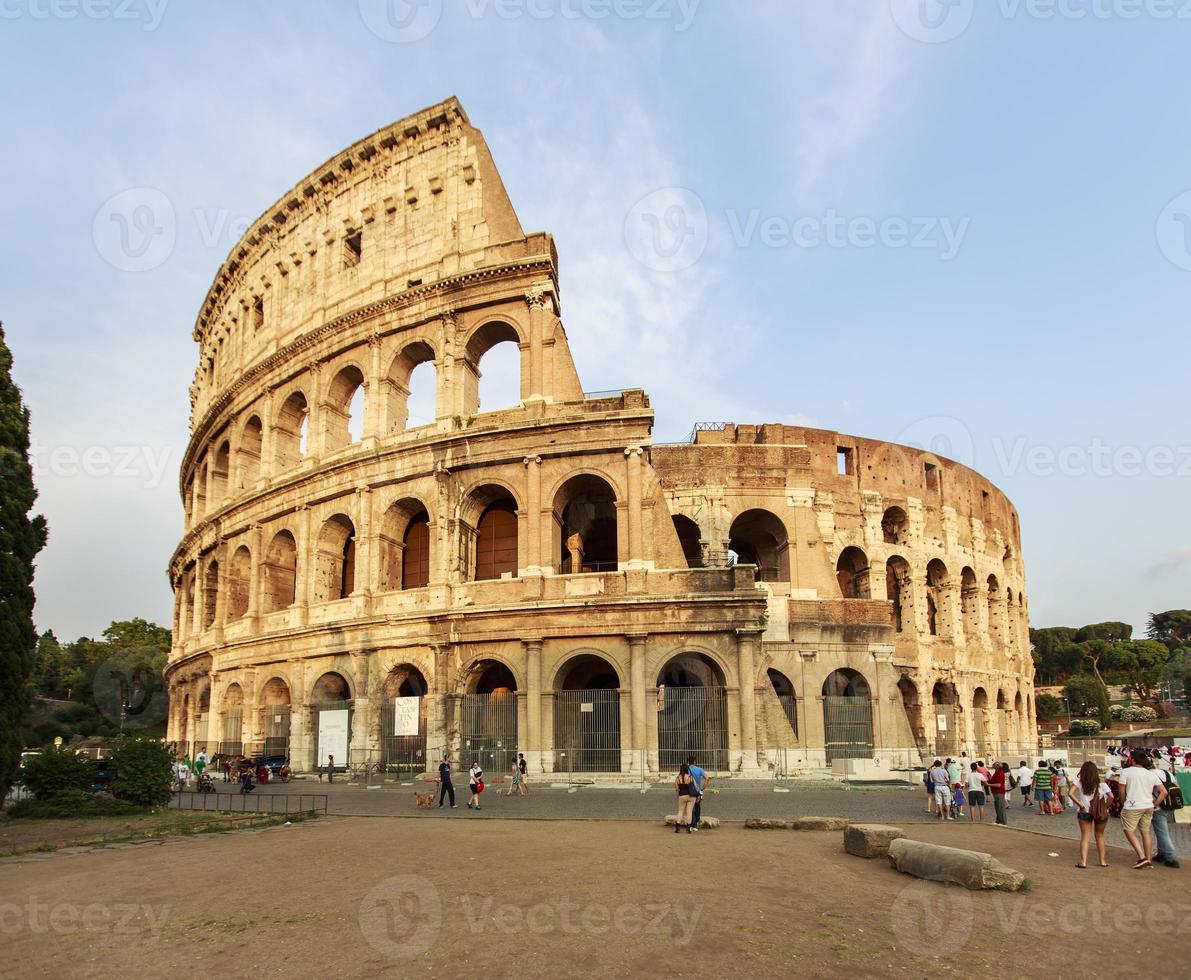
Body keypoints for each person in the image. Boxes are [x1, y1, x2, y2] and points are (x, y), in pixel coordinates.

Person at [1118, 748, 1168, 869]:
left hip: (1132, 805)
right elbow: (1164, 792)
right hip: (1148, 806)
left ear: (1133, 760)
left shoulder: (1126, 772)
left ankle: (1142, 856)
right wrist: (1155, 803)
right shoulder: (1150, 774)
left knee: (1128, 830)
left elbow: (1121, 790)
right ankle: (1148, 860)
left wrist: (1124, 802)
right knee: (1146, 832)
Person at [1070, 761, 1111, 868]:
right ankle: (1102, 861)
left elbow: (1070, 793)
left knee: (1085, 836)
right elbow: (1111, 796)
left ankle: (1083, 862)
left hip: (1084, 811)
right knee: (1100, 836)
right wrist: (1106, 807)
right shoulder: (1101, 782)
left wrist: (1080, 804)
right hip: (1100, 812)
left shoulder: (1079, 781)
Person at [1151, 766, 1181, 869]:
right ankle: (1161, 853)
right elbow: (1177, 786)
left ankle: (1171, 858)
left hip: (1159, 805)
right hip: (1171, 804)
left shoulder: (1150, 774)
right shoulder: (1167, 773)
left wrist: (1155, 804)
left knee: (1162, 832)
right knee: (1161, 831)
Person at [687, 755, 708, 831]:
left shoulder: (686, 770)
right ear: (695, 761)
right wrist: (703, 788)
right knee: (697, 807)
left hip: (689, 791)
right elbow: (707, 778)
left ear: (688, 762)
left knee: (690, 808)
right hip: (697, 791)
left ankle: (691, 824)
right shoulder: (699, 769)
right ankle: (695, 824)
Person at [674, 763, 697, 833]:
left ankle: (677, 827)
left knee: (680, 811)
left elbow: (677, 789)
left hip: (682, 795)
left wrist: (678, 796)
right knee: (689, 812)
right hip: (691, 796)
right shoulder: (690, 777)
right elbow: (695, 787)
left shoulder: (678, 778)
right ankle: (688, 828)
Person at [988, 762, 1011, 826]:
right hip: (996, 792)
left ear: (998, 766)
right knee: (997, 806)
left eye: (994, 764)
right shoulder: (997, 772)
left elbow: (999, 785)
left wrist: (988, 784)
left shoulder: (1000, 773)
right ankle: (998, 820)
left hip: (999, 792)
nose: (993, 765)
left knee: (1000, 807)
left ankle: (1003, 822)